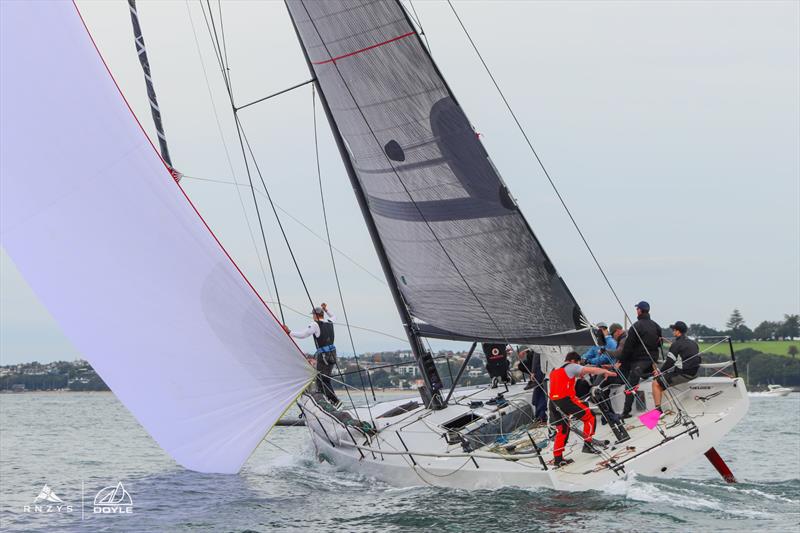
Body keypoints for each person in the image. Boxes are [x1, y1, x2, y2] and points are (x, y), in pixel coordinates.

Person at [549, 352, 616, 467]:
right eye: (579, 364)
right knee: (590, 416)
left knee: (563, 429)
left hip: (553, 402)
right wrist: (605, 371)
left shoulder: (555, 370)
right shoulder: (571, 366)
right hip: (566, 401)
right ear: (574, 361)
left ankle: (558, 458)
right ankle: (588, 445)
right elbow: (590, 370)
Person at [284, 303, 340, 407]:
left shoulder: (315, 324)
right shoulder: (330, 321)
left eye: (313, 315)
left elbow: (304, 334)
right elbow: (334, 316)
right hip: (333, 354)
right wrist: (326, 309)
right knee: (326, 379)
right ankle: (333, 402)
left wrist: (289, 332)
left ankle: (333, 402)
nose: (312, 317)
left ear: (315, 315)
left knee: (320, 379)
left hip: (323, 355)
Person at [617, 301, 662, 419]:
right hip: (653, 361)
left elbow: (628, 347)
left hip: (640, 362)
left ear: (640, 310)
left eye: (637, 309)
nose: (636, 310)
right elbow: (660, 344)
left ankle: (626, 412)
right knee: (642, 372)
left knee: (630, 383)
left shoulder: (636, 327)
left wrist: (621, 361)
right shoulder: (656, 326)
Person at [652, 321, 701, 412]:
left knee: (656, 383)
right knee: (664, 377)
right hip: (694, 373)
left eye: (674, 330)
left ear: (678, 332)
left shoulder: (676, 344)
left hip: (684, 374)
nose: (673, 332)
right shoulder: (693, 343)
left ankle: (657, 411)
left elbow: (670, 362)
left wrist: (659, 372)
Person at [518, 346, 547, 422]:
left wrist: (533, 372)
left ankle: (541, 416)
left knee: (540, 392)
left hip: (541, 369)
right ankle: (541, 416)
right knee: (540, 393)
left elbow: (537, 354)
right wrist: (527, 350)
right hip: (542, 370)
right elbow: (536, 349)